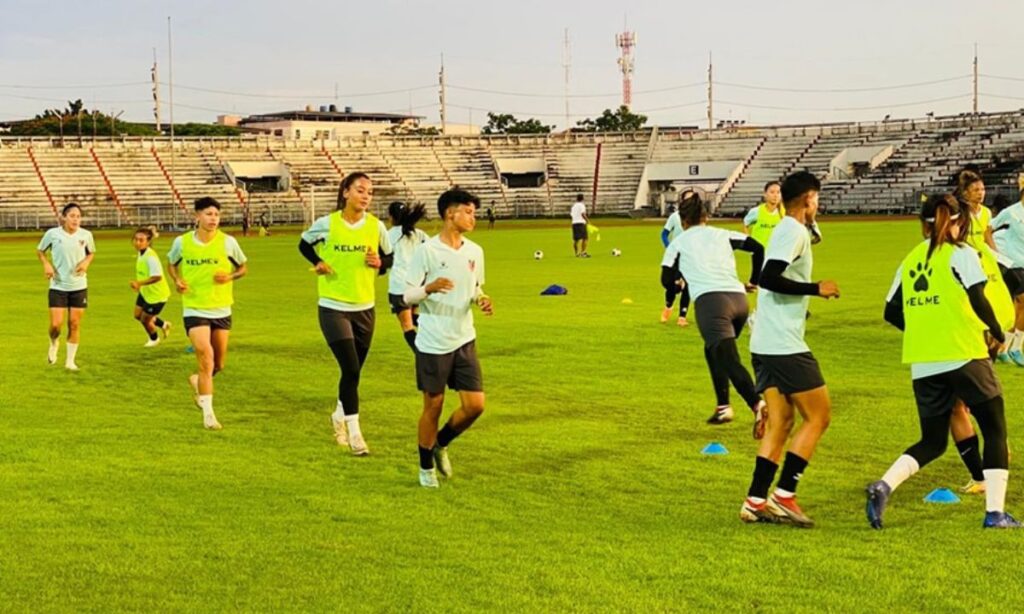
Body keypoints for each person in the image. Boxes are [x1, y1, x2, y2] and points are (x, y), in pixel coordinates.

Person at [867, 194, 1019, 529]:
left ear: (923, 224)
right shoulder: (962, 253)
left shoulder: (910, 259)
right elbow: (978, 298)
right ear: (957, 221)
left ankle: (884, 485)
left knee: (933, 441)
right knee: (994, 429)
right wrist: (996, 331)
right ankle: (995, 513)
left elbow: (891, 311)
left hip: (924, 360)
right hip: (964, 352)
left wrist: (925, 327)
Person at [739, 171, 840, 528]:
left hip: (765, 341)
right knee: (819, 416)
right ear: (809, 198)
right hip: (782, 344)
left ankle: (755, 501)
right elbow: (768, 277)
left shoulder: (789, 228)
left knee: (781, 422)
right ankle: (784, 496)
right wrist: (816, 288)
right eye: (817, 199)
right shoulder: (793, 230)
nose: (819, 205)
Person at [298, 172, 393, 455]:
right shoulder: (326, 224)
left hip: (365, 307)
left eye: (370, 192)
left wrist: (380, 261)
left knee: (354, 372)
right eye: (360, 190)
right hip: (333, 306)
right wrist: (319, 261)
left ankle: (339, 415)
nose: (366, 196)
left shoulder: (376, 227)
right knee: (350, 368)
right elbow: (304, 244)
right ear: (345, 193)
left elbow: (390, 258)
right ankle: (355, 433)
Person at [403, 188, 492, 488]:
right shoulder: (427, 252)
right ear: (449, 213)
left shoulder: (475, 252)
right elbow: (406, 295)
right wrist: (428, 289)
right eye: (468, 212)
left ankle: (441, 443)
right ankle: (425, 467)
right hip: (433, 340)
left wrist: (481, 300)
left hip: (464, 336)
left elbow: (475, 288)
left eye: (475, 213)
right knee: (434, 405)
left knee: (475, 405)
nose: (473, 218)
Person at [668, 191, 767, 434]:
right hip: (738, 301)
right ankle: (723, 407)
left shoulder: (678, 242)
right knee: (713, 350)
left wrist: (677, 284)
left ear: (683, 221)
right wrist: (754, 279)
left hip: (712, 305)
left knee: (728, 358)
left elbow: (665, 277)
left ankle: (758, 404)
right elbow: (757, 247)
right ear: (706, 217)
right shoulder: (723, 234)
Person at [167, 197, 248, 431]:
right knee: (205, 355)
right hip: (194, 307)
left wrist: (230, 276)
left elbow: (243, 267)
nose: (213, 219)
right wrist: (177, 280)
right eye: (209, 214)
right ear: (197, 216)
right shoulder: (182, 243)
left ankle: (197, 381)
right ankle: (209, 415)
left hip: (221, 307)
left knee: (218, 364)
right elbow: (171, 264)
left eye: (216, 215)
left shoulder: (228, 242)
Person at [36, 202, 95, 370]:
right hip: (58, 286)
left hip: (79, 285)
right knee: (56, 325)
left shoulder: (86, 235)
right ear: (64, 217)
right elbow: (40, 251)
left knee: (74, 324)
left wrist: (86, 263)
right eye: (72, 216)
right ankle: (54, 342)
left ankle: (70, 361)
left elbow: (91, 253)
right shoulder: (52, 234)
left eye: (78, 216)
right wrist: (46, 264)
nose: (76, 219)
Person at [386, 201, 429, 352]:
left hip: (399, 286)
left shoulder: (389, 235)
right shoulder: (419, 234)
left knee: (407, 325)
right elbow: (432, 252)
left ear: (391, 217)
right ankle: (438, 331)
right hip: (417, 284)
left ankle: (422, 355)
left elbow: (384, 257)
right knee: (416, 317)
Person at [990, 188, 1024, 365]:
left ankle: (1004, 347)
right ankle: (1015, 348)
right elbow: (988, 229)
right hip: (1013, 264)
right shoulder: (1011, 212)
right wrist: (996, 254)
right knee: (1021, 303)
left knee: (1015, 309)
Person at [130, 226, 172, 347]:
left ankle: (154, 339)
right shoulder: (141, 253)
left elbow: (157, 276)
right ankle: (164, 325)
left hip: (157, 295)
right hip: (146, 292)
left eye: (141, 240)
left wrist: (139, 283)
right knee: (137, 315)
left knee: (145, 320)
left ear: (148, 242)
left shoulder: (151, 258)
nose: (137, 243)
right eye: (136, 239)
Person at [660, 199, 688, 324]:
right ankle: (668, 306)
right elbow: (664, 234)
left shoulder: (697, 219)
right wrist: (669, 246)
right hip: (674, 256)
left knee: (688, 285)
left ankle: (682, 316)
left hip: (689, 256)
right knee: (669, 284)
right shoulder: (674, 217)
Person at [743, 181, 786, 246]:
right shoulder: (756, 211)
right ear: (765, 194)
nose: (775, 195)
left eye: (778, 192)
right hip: (759, 252)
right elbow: (745, 224)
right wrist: (749, 241)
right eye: (772, 192)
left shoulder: (785, 213)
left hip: (777, 252)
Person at [570, 193, 590, 257]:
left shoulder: (574, 206)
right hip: (581, 223)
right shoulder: (582, 205)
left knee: (576, 240)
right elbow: (583, 214)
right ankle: (583, 252)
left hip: (574, 223)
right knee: (585, 238)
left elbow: (572, 215)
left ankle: (576, 253)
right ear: (583, 198)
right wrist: (587, 220)